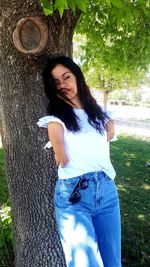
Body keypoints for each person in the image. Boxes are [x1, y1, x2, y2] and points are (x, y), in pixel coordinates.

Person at [37, 55, 122, 267]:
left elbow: (109, 133)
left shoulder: (99, 114)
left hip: (107, 191)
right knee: (86, 263)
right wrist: (58, 149)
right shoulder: (58, 116)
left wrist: (111, 126)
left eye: (66, 77)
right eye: (56, 82)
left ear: (77, 77)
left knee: (112, 260)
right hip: (74, 194)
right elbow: (53, 128)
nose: (62, 84)